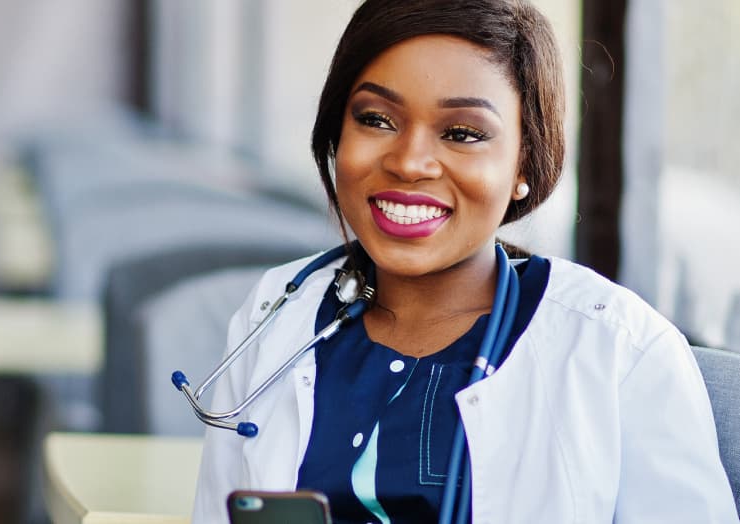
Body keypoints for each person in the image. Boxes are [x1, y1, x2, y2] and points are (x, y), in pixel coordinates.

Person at [192, 0, 738, 522]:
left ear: (525, 162)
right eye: (376, 119)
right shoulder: (274, 311)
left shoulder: (620, 350)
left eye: (463, 134)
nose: (408, 162)